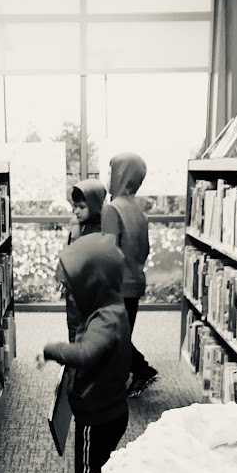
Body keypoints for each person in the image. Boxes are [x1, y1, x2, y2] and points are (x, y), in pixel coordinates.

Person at [37, 232, 131, 473]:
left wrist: (52, 349)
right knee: (99, 465)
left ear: (93, 282)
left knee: (88, 472)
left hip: (98, 415)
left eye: (73, 289)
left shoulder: (106, 319)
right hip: (107, 407)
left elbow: (86, 354)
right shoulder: (110, 309)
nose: (70, 296)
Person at [101, 151, 158, 398]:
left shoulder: (112, 209)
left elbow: (107, 251)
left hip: (116, 284)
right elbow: (145, 247)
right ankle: (129, 375)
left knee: (113, 337)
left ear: (120, 175)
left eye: (112, 171)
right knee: (121, 334)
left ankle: (143, 370)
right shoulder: (138, 209)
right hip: (135, 281)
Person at [58, 178, 108, 342]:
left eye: (82, 207)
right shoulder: (76, 224)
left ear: (94, 205)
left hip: (93, 290)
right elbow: (69, 250)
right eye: (75, 206)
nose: (76, 211)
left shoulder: (104, 227)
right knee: (73, 326)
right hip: (74, 288)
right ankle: (74, 362)